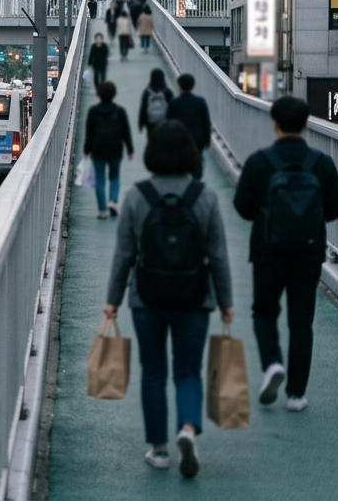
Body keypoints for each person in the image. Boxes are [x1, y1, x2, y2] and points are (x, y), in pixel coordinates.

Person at [104, 121, 234, 479]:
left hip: (147, 297)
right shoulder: (204, 196)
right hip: (195, 298)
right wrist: (225, 301)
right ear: (191, 155)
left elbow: (124, 255)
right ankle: (188, 429)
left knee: (154, 372)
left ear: (152, 154)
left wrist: (113, 299)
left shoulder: (137, 196)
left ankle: (159, 449)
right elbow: (218, 256)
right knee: (188, 370)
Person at [233, 96, 338, 412]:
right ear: (305, 123)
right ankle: (296, 395)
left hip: (267, 250)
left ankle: (272, 364)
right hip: (308, 253)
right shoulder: (321, 163)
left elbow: (243, 207)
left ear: (275, 123)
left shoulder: (260, 162)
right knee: (301, 322)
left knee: (264, 312)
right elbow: (336, 208)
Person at [83, 79, 134, 219]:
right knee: (114, 176)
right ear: (114, 94)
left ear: (99, 94)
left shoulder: (93, 111)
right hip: (115, 147)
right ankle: (113, 201)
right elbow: (126, 131)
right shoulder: (120, 111)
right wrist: (129, 149)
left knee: (100, 179)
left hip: (98, 148)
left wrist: (87, 149)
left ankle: (102, 210)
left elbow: (90, 132)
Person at [166, 74, 212, 179]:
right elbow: (205, 122)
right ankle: (196, 183)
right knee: (197, 161)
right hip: (197, 139)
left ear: (179, 86)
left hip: (179, 139)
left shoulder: (173, 103)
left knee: (180, 162)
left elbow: (169, 122)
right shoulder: (200, 102)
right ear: (193, 86)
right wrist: (207, 140)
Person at [138, 69, 174, 136]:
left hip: (151, 123)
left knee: (152, 141)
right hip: (165, 123)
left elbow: (143, 108)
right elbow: (173, 107)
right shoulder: (167, 91)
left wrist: (141, 124)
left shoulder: (147, 92)